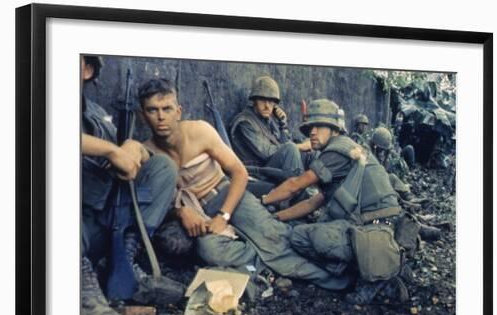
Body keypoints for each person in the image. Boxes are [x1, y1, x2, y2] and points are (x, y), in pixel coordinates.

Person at [138, 78, 349, 291]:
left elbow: (239, 173)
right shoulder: (146, 153)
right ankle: (264, 259)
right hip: (199, 213)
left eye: (167, 108)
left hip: (228, 196)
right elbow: (150, 208)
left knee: (274, 239)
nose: (161, 117)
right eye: (152, 110)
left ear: (178, 111)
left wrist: (224, 216)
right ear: (142, 115)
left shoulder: (199, 131)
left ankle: (340, 278)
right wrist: (180, 213)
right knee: (209, 251)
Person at [80, 56, 184, 315]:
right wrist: (110, 151)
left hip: (106, 214)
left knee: (163, 167)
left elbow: (129, 158)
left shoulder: (98, 115)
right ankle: (88, 301)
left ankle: (124, 258)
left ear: (88, 70)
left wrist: (135, 148)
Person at [263, 99, 406, 304]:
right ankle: (372, 265)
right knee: (313, 228)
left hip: (373, 229)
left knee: (299, 237)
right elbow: (314, 202)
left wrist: (264, 199)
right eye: (310, 127)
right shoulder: (346, 149)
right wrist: (278, 216)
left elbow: (296, 185)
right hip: (380, 226)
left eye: (319, 126)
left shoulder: (337, 151)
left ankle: (368, 275)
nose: (312, 132)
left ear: (335, 130)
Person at [229, 76, 311, 180]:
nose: (267, 106)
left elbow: (283, 145)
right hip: (257, 174)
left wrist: (282, 124)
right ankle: (299, 191)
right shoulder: (245, 122)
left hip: (270, 168)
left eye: (271, 101)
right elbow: (266, 153)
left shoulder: (267, 120)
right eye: (262, 100)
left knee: (309, 155)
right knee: (292, 148)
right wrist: (301, 146)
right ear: (255, 100)